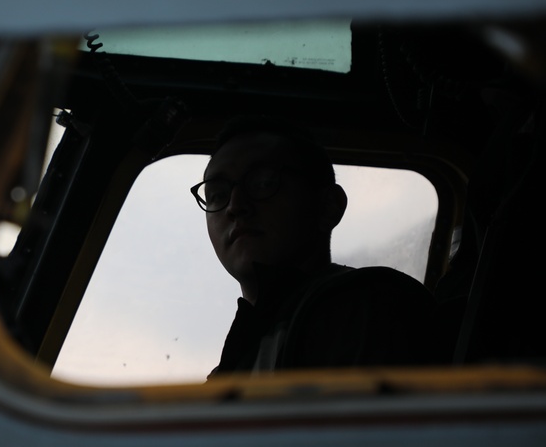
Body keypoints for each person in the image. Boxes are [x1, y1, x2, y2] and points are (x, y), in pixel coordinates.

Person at [193, 116, 450, 376]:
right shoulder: (240, 357)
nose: (235, 206)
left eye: (264, 183)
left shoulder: (368, 306)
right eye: (217, 195)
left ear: (328, 206)